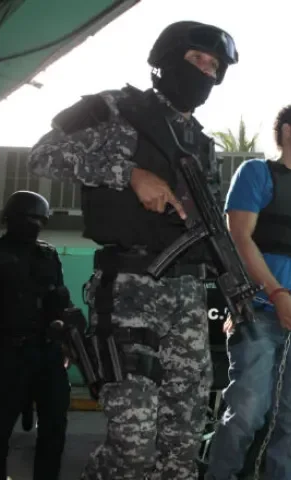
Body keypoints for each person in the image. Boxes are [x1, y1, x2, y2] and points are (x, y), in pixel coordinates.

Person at [27, 21, 239, 480]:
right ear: (168, 59)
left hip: (188, 296)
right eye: (197, 59)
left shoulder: (202, 144)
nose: (206, 71)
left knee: (181, 447)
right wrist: (129, 174)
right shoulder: (115, 109)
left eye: (214, 66)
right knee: (133, 449)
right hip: (129, 290)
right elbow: (43, 155)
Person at [206, 103, 291, 480]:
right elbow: (239, 237)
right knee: (245, 415)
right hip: (257, 312)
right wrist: (278, 294)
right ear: (286, 131)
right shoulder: (256, 173)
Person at [0, 190, 71, 480]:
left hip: (47, 354)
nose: (33, 225)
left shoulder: (47, 255)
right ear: (10, 219)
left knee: (54, 431)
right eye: (27, 218)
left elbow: (60, 301)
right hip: (6, 353)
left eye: (39, 220)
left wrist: (64, 332)